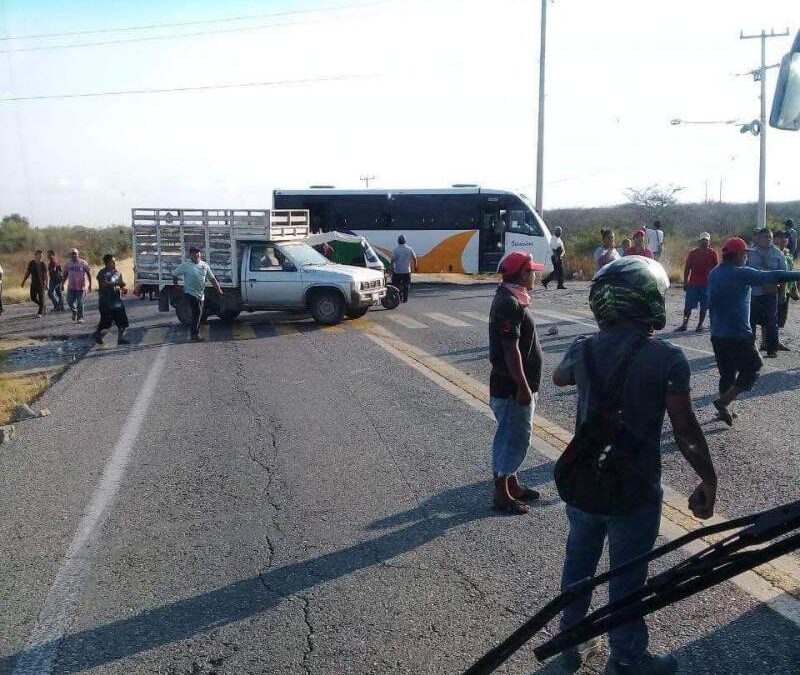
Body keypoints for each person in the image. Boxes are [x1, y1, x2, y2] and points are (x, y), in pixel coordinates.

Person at [552, 256, 717, 675]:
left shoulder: (582, 347)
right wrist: (707, 478)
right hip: (635, 489)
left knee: (579, 566)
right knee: (627, 578)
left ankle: (568, 648)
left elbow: (559, 378)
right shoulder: (667, 357)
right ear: (645, 301)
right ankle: (625, 658)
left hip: (586, 479)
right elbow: (685, 428)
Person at [708, 237, 800, 426]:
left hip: (717, 334)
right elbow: (774, 275)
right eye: (745, 255)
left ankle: (723, 410)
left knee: (727, 374)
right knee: (753, 368)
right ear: (739, 255)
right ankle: (723, 403)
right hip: (739, 335)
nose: (746, 258)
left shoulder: (715, 273)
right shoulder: (741, 273)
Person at [488, 251, 545, 514]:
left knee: (516, 437)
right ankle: (502, 494)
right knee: (512, 439)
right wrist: (522, 386)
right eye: (532, 270)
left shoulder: (512, 298)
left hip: (517, 387)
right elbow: (511, 350)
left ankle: (512, 484)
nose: (535, 275)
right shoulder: (508, 303)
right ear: (523, 274)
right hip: (512, 389)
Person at [747, 228, 787, 357]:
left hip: (771, 293)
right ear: (758, 238)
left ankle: (772, 349)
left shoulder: (778, 253)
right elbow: (744, 271)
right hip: (754, 293)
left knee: (771, 322)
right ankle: (750, 349)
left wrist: (782, 293)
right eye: (765, 237)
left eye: (770, 237)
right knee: (751, 321)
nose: (768, 239)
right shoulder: (750, 252)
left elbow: (784, 275)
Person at [171, 246, 223, 342]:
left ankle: (195, 333)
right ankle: (194, 334)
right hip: (190, 293)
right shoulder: (186, 265)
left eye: (198, 253)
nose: (197, 255)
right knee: (197, 313)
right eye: (194, 253)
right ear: (190, 255)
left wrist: (218, 289)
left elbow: (212, 278)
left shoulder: (204, 265)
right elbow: (175, 273)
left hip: (200, 294)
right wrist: (176, 284)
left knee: (199, 314)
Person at [676, 232, 717, 333]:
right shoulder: (693, 253)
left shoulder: (713, 254)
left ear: (709, 241)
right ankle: (684, 324)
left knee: (704, 306)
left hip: (707, 285)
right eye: (703, 240)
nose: (704, 242)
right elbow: (687, 268)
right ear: (699, 241)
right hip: (693, 283)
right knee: (688, 306)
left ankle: (700, 325)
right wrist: (685, 282)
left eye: (706, 240)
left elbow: (716, 270)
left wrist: (715, 285)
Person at [93, 254, 130, 346]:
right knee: (106, 323)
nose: (114, 263)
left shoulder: (118, 273)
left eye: (114, 261)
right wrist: (118, 283)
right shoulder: (102, 273)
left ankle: (120, 339)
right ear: (107, 263)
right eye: (112, 261)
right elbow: (104, 284)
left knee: (122, 322)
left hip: (117, 301)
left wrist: (123, 288)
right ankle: (97, 334)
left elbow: (121, 285)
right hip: (106, 302)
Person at [773, 230, 798, 341]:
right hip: (775, 289)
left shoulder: (789, 254)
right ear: (775, 239)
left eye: (786, 237)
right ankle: (770, 341)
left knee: (782, 316)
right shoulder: (773, 253)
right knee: (773, 315)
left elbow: (790, 273)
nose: (784, 239)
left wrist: (794, 290)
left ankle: (776, 340)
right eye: (781, 237)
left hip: (787, 289)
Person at [63, 248, 92, 323]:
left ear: (78, 254)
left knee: (80, 303)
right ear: (70, 255)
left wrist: (90, 285)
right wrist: (62, 284)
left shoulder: (83, 263)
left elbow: (89, 274)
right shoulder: (67, 264)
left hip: (81, 287)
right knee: (69, 301)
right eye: (72, 254)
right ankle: (74, 311)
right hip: (71, 287)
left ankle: (80, 318)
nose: (74, 255)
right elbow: (65, 275)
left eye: (75, 253)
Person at [21, 250, 48, 317]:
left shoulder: (43, 264)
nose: (41, 257)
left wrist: (46, 284)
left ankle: (40, 312)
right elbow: (27, 272)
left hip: (41, 284)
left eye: (42, 256)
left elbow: (46, 275)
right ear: (36, 255)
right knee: (32, 298)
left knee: (41, 298)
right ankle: (42, 306)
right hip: (33, 284)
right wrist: (23, 281)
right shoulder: (31, 263)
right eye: (40, 256)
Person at [391, 235, 417, 303]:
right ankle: (405, 299)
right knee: (406, 285)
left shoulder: (395, 250)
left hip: (397, 271)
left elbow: (392, 260)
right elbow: (414, 258)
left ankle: (398, 297)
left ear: (398, 241)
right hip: (407, 271)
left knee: (396, 285)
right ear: (405, 241)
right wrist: (415, 267)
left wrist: (392, 268)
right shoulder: (409, 249)